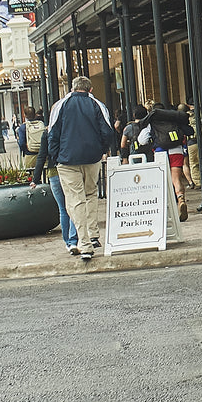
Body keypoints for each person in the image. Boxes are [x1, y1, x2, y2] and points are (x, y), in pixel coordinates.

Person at [44, 76, 118, 264]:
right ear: (90, 89)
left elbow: (52, 133)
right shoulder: (97, 105)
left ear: (72, 88)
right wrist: (100, 150)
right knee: (91, 194)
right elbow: (108, 132)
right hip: (92, 158)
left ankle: (84, 243)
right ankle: (93, 233)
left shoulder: (60, 105)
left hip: (67, 159)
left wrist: (56, 156)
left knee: (75, 200)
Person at [29, 111, 78, 256]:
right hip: (69, 170)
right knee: (74, 206)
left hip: (53, 172)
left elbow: (41, 156)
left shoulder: (46, 133)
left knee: (63, 209)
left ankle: (68, 242)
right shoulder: (68, 130)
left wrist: (35, 179)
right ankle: (74, 239)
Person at [139, 103, 195, 222]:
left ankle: (167, 209)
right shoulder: (174, 118)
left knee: (163, 181)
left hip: (160, 151)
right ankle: (181, 199)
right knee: (176, 180)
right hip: (176, 149)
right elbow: (188, 131)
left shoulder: (152, 121)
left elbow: (142, 140)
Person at [17, 106, 47, 172]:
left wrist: (25, 151)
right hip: (42, 154)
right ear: (35, 114)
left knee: (31, 175)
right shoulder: (42, 124)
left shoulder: (23, 127)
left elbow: (22, 143)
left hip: (30, 154)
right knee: (45, 174)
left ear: (25, 115)